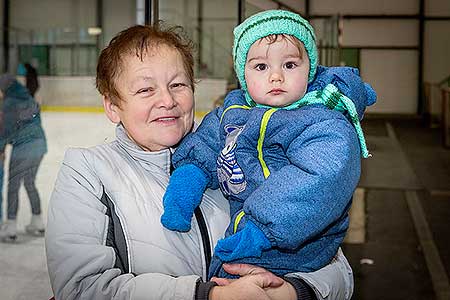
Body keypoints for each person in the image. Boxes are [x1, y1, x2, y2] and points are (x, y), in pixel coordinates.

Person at [45, 23, 355, 300]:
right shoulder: (88, 172)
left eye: (178, 84)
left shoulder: (240, 149)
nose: (167, 100)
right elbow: (80, 288)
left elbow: (339, 270)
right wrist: (210, 296)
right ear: (113, 106)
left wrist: (290, 291)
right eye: (145, 89)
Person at [160, 9, 376, 279]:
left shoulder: (324, 124)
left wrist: (260, 228)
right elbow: (205, 143)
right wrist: (186, 184)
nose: (276, 76)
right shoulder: (234, 110)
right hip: (247, 234)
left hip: (294, 245)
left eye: (289, 65)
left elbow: (319, 179)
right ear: (243, 73)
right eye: (261, 66)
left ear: (309, 69)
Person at [0, 73, 47, 241]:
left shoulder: (9, 103)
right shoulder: (30, 100)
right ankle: (38, 221)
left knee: (13, 184)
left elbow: (5, 131)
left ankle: (11, 226)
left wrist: (1, 149)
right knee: (29, 182)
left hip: (23, 149)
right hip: (40, 146)